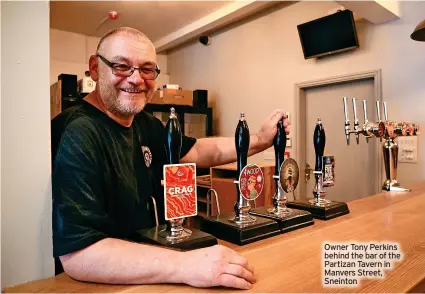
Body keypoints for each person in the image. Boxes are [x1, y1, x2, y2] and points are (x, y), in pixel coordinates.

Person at [51, 27, 290, 290]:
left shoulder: (144, 123)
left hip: (149, 275)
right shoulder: (77, 131)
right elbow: (78, 254)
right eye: (122, 66)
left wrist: (259, 140)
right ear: (95, 68)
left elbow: (196, 151)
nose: (136, 79)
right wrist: (186, 265)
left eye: (146, 69)